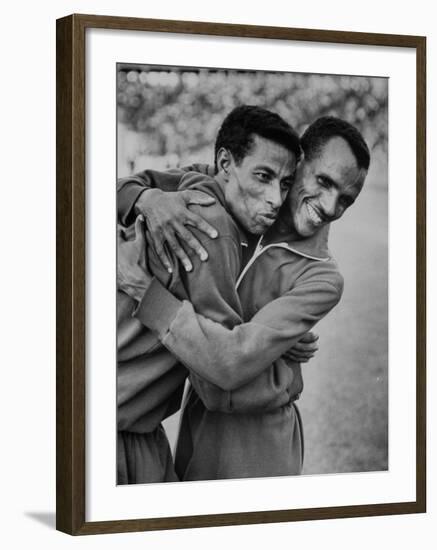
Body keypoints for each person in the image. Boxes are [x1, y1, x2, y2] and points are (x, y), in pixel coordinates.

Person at [118, 113, 370, 481]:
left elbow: (227, 368)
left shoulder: (323, 276)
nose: (331, 208)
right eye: (324, 182)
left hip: (258, 439)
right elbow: (124, 185)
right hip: (198, 420)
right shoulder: (233, 196)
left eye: (346, 199)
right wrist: (148, 199)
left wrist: (145, 291)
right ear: (298, 163)